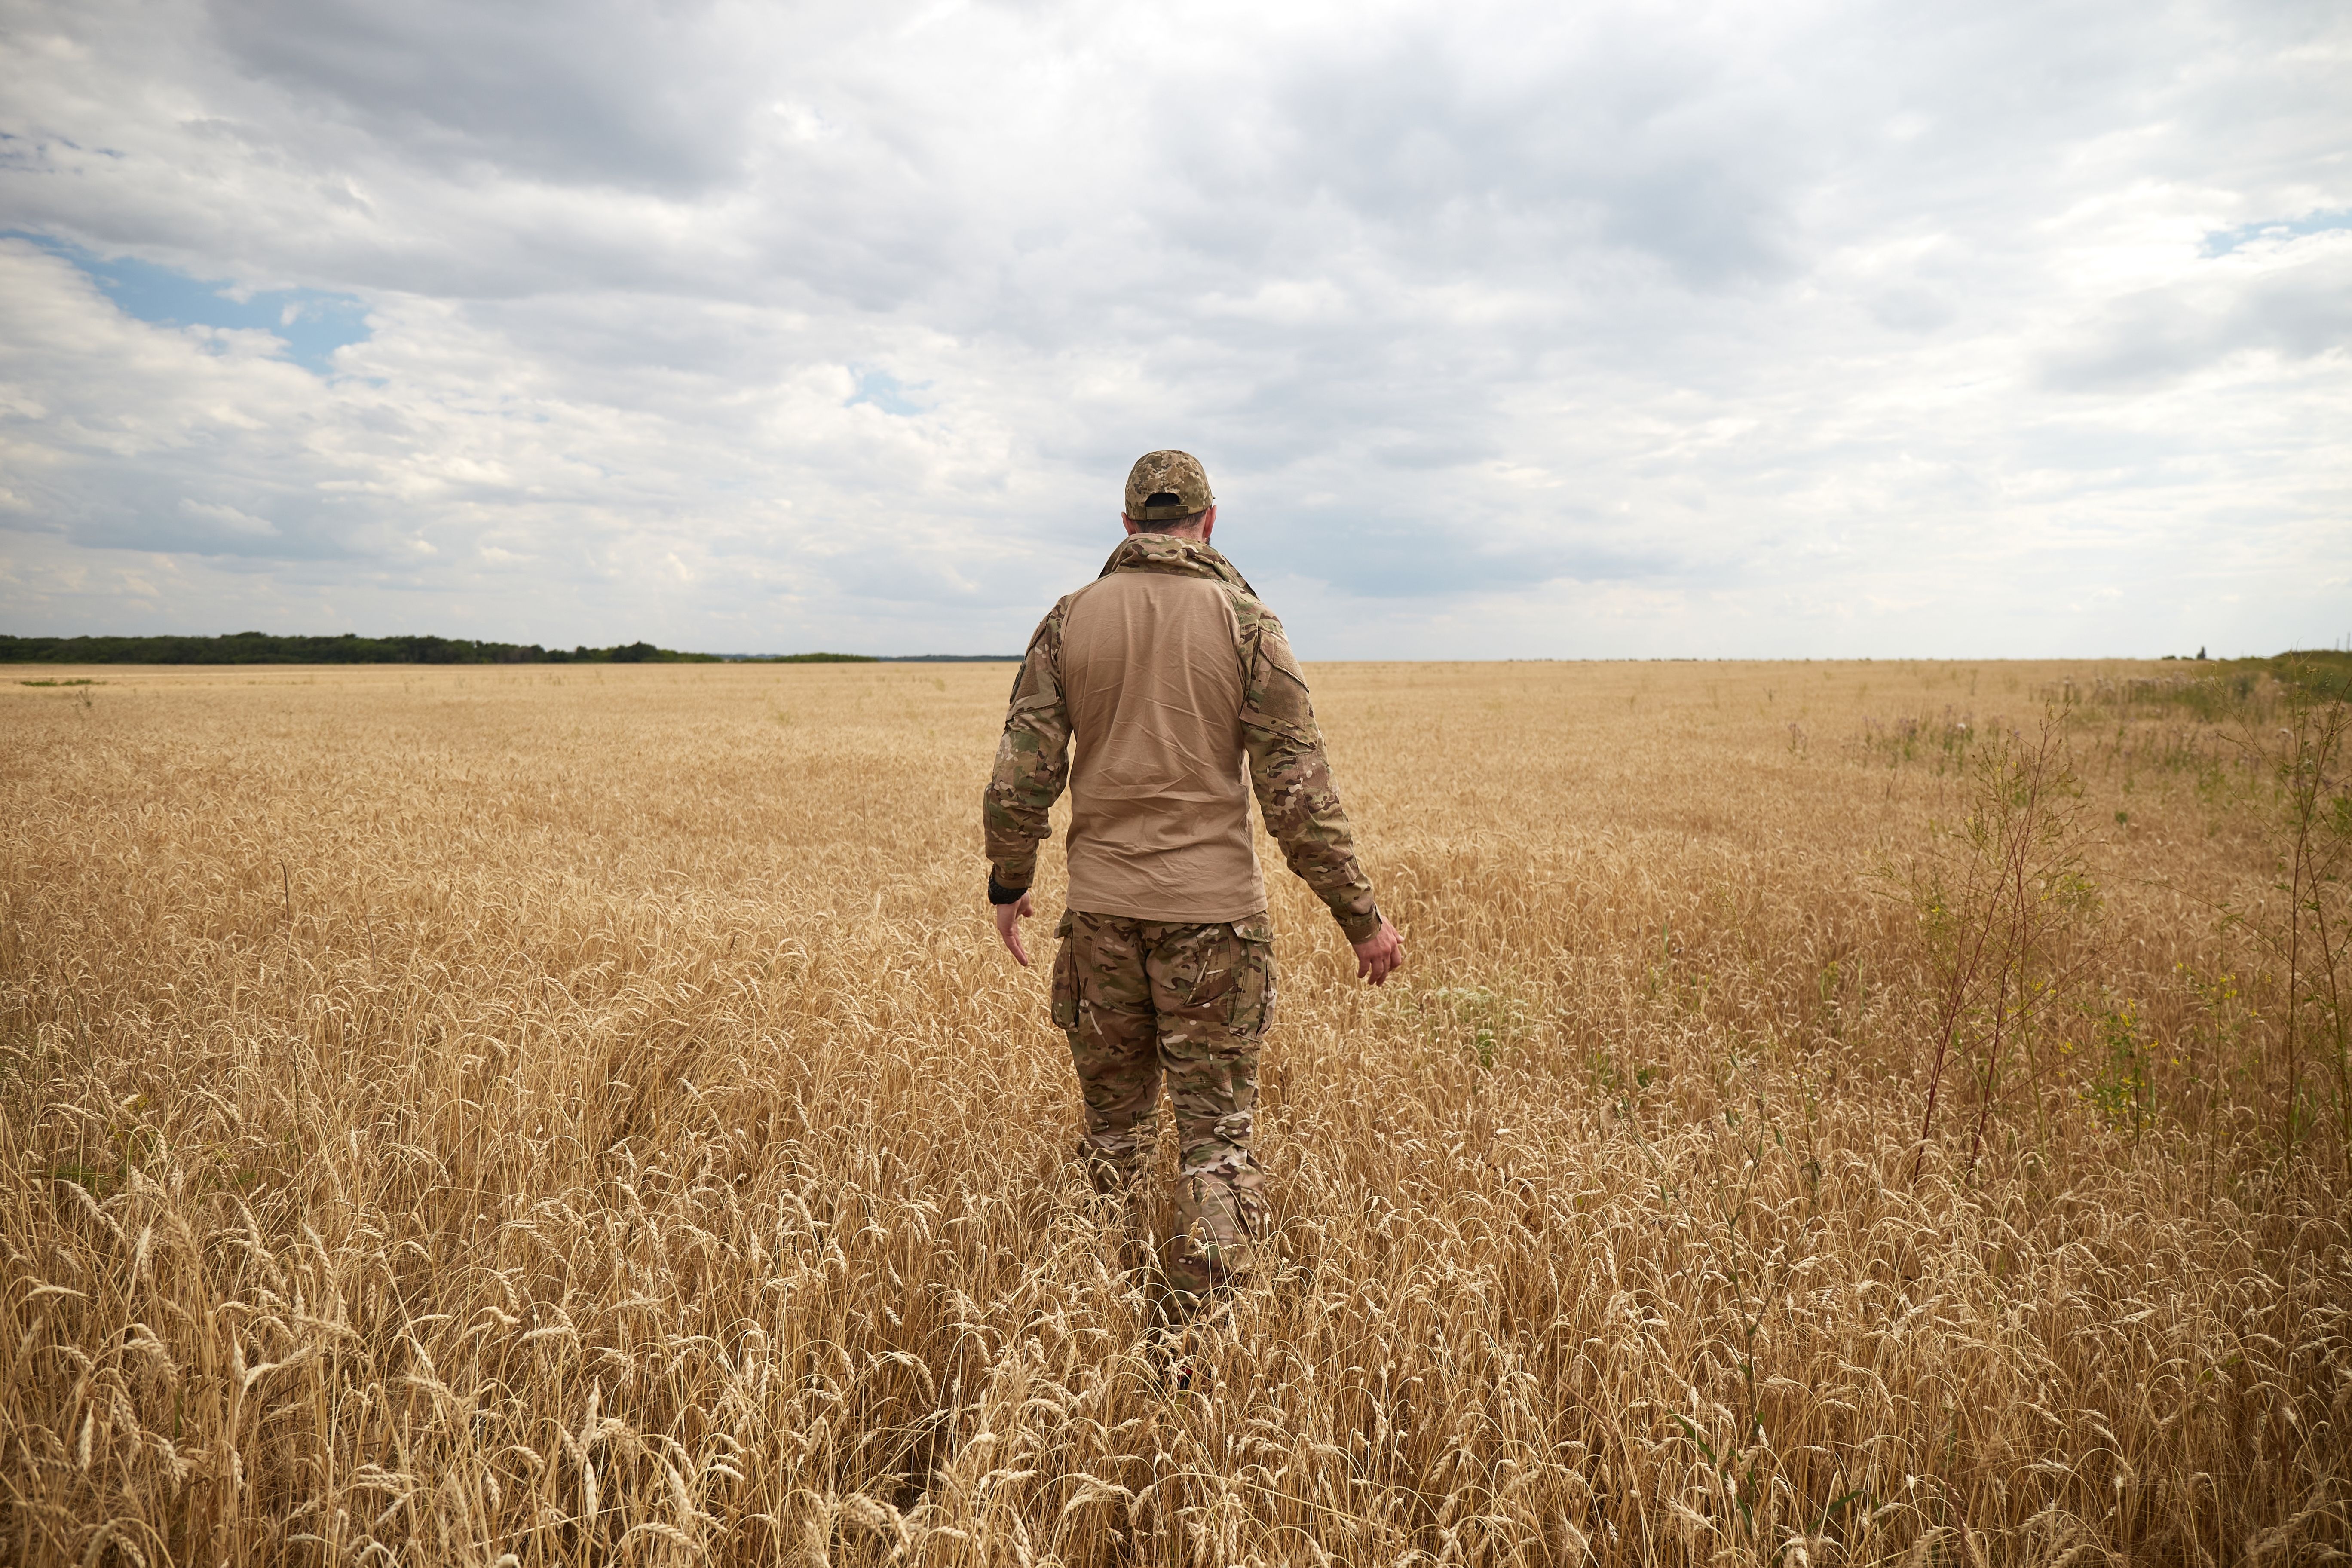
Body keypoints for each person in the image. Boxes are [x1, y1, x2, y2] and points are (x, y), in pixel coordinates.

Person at [983, 449, 1404, 1306]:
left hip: (1100, 919)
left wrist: (1008, 881)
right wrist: (1362, 919)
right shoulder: (1250, 624)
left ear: (1129, 525)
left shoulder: (1068, 622)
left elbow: (1019, 777)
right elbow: (1297, 791)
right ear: (1209, 522)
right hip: (1216, 923)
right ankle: (1199, 1352)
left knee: (1112, 1136)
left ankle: (1087, 1323)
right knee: (1217, 1141)